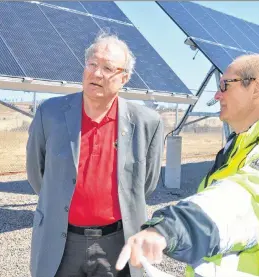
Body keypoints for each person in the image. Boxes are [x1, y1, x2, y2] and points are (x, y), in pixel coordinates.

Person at [116, 54, 259, 277]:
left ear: (256, 88)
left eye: (225, 85)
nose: (217, 95)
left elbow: (248, 201)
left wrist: (175, 226)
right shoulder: (236, 148)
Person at [26, 32, 164, 277]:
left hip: (117, 241)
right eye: (92, 64)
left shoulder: (147, 123)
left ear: (124, 77)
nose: (97, 73)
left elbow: (146, 184)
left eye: (108, 68)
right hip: (62, 241)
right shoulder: (50, 114)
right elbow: (38, 175)